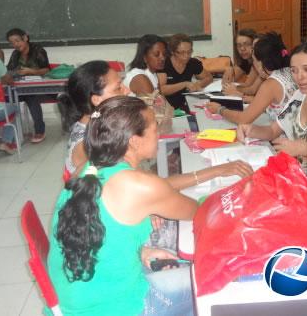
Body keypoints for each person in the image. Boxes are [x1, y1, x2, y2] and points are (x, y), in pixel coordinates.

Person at [48, 96, 197, 315]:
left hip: (76, 300)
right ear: (134, 141)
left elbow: (90, 233)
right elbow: (198, 212)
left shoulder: (87, 169)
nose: (159, 134)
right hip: (118, 308)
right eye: (155, 128)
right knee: (212, 284)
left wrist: (141, 251)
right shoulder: (139, 186)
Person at [60, 61, 253, 185]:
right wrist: (216, 171)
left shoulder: (105, 129)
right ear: (96, 100)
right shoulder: (87, 146)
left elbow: (140, 181)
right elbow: (145, 187)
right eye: (118, 88)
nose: (127, 91)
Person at [237, 41, 307, 179]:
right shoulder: (299, 97)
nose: (299, 77)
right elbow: (273, 131)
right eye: (294, 70)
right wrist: (250, 129)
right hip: (292, 180)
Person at [206, 32, 297, 124]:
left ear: (261, 63)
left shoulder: (270, 84)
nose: (253, 64)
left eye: (254, 60)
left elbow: (243, 119)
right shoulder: (289, 72)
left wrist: (219, 109)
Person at [6, 28, 50, 143]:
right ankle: (9, 137)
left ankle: (40, 131)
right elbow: (9, 70)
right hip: (20, 88)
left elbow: (46, 70)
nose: (15, 45)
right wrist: (13, 73)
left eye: (17, 41)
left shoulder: (38, 50)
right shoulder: (15, 54)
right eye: (12, 43)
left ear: (25, 38)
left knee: (31, 97)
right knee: (7, 98)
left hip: (39, 89)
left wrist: (31, 71)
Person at [158, 34, 213, 112]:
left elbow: (209, 77)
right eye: (182, 52)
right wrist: (185, 84)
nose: (186, 56)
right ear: (172, 52)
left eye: (189, 52)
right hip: (167, 107)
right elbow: (161, 90)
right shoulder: (164, 64)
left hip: (187, 104)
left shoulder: (192, 63)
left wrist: (198, 84)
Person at [222, 29, 263, 101]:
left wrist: (235, 89)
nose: (242, 48)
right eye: (239, 45)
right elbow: (247, 84)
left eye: (246, 44)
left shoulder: (262, 63)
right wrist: (230, 69)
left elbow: (252, 90)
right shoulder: (246, 60)